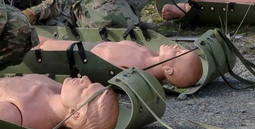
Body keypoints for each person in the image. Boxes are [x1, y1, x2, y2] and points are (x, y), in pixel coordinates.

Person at [34, 35, 203, 88]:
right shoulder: (150, 54)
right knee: (41, 39)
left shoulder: (139, 73)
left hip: (81, 55)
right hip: (89, 46)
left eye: (178, 52)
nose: (176, 47)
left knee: (40, 45)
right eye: (180, 47)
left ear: (169, 70)